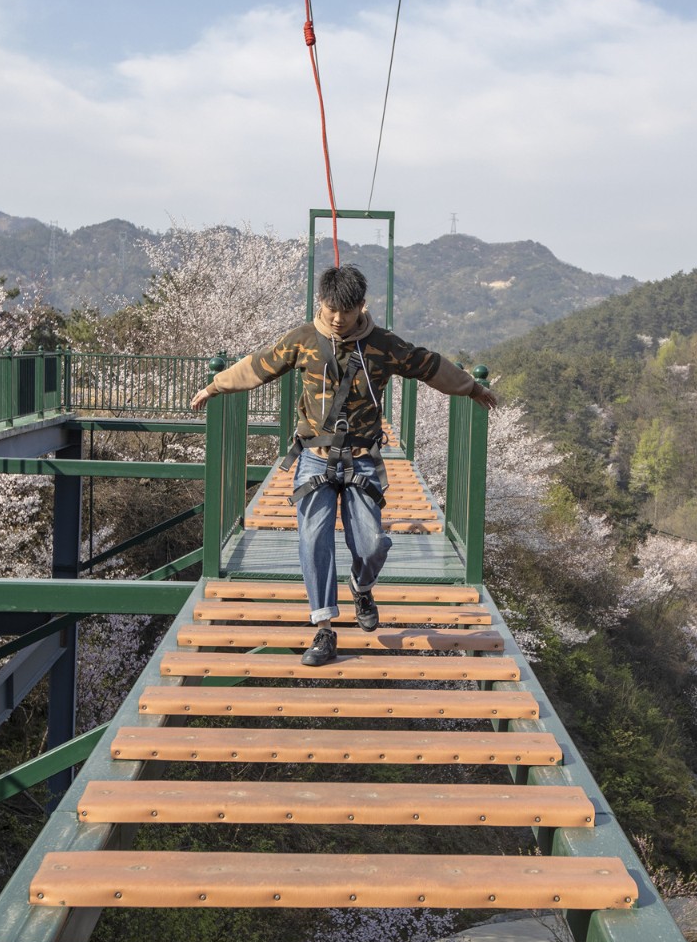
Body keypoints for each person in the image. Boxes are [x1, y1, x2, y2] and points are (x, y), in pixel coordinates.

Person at [191, 264, 498, 665]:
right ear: (321, 303)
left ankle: (361, 584)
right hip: (315, 457)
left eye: (347, 310)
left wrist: (470, 387)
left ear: (361, 307)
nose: (338, 318)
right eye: (331, 308)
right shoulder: (303, 339)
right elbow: (260, 365)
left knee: (371, 545)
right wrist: (215, 386)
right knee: (312, 538)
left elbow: (427, 364)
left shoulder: (382, 345)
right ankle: (323, 629)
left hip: (362, 459)